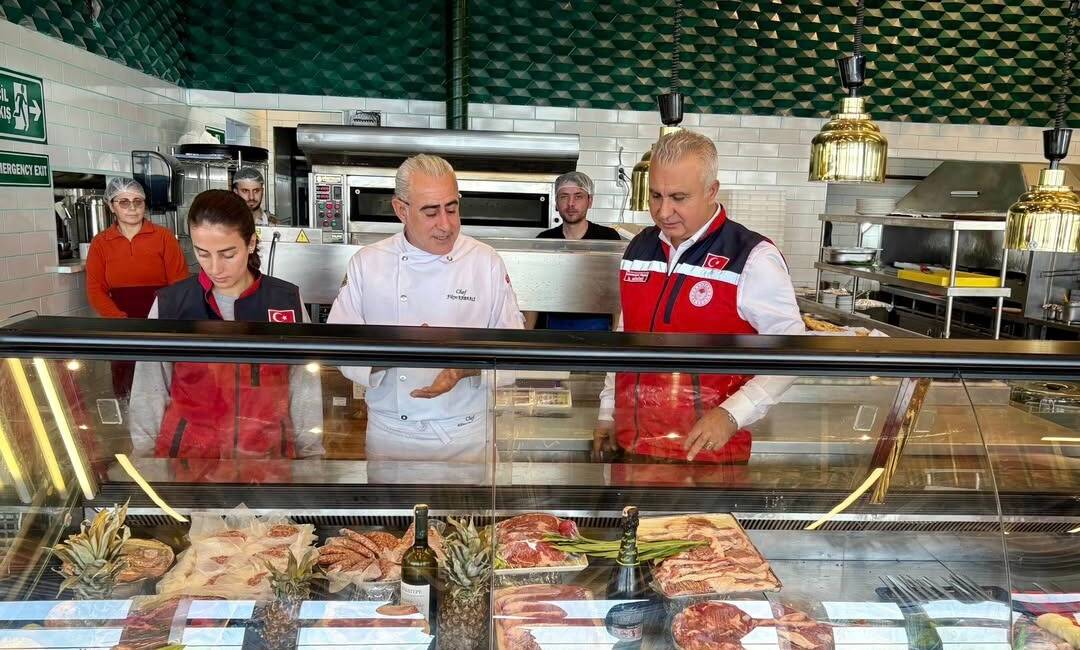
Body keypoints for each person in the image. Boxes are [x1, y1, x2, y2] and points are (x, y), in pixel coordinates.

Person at [594, 130, 804, 465]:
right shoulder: (639, 248)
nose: (664, 212)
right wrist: (608, 411)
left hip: (705, 455)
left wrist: (733, 414)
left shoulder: (752, 257)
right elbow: (625, 336)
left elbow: (793, 351)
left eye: (679, 197)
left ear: (711, 191)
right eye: (656, 196)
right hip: (633, 448)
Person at [328, 154, 523, 469]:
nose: (446, 225)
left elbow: (517, 355)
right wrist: (401, 351)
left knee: (471, 519)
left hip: (466, 436)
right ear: (401, 210)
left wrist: (461, 368)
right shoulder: (368, 263)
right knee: (392, 520)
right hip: (392, 436)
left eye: (452, 208)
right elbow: (339, 349)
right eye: (431, 212)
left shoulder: (485, 262)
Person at [129, 190, 323, 473]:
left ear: (251, 242)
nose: (215, 268)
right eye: (202, 253)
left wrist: (311, 459)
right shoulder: (171, 305)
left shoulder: (285, 302)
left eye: (228, 254)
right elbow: (149, 390)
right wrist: (146, 463)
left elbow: (304, 389)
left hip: (267, 463)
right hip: (189, 465)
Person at [85, 178, 189, 399]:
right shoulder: (101, 243)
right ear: (111, 206)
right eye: (124, 202)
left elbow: (180, 284)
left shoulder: (164, 238)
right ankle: (127, 431)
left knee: (165, 384)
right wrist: (119, 321)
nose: (132, 208)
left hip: (161, 322)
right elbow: (96, 290)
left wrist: (163, 321)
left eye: (137, 201)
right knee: (126, 387)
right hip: (122, 327)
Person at [526, 171, 623, 331]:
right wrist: (526, 337)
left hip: (599, 329)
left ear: (590, 201)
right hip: (551, 329)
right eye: (564, 196)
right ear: (556, 203)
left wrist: (616, 334)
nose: (571, 203)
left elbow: (615, 293)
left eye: (578, 196)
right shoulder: (544, 240)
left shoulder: (607, 238)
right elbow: (533, 294)